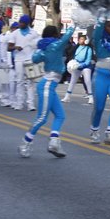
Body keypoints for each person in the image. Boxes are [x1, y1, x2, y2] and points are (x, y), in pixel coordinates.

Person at [17, 24, 76, 157]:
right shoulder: (56, 46)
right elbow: (66, 37)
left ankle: (54, 143)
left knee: (60, 115)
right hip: (48, 85)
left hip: (49, 85)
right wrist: (75, 24)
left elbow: (34, 58)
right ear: (55, 35)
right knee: (42, 118)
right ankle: (25, 143)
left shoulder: (44, 48)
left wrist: (42, 48)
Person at [89, 20, 110, 145]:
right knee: (99, 107)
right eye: (109, 26)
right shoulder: (98, 39)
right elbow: (98, 29)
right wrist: (104, 12)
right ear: (104, 27)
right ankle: (94, 130)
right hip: (100, 76)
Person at [8, 15, 40, 111]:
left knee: (31, 82)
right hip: (18, 60)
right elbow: (9, 48)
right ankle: (19, 103)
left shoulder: (34, 33)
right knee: (19, 82)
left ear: (27, 24)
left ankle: (31, 104)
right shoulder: (15, 33)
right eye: (20, 22)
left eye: (22, 23)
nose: (20, 24)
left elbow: (38, 46)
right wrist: (15, 47)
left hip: (30, 60)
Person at [63, 33, 94, 104]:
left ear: (86, 40)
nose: (80, 40)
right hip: (76, 65)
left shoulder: (88, 49)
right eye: (79, 39)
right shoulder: (77, 47)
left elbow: (88, 60)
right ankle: (67, 96)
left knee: (87, 81)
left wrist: (81, 65)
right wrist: (73, 63)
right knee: (72, 81)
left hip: (86, 66)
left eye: (82, 39)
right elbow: (74, 55)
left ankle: (91, 97)